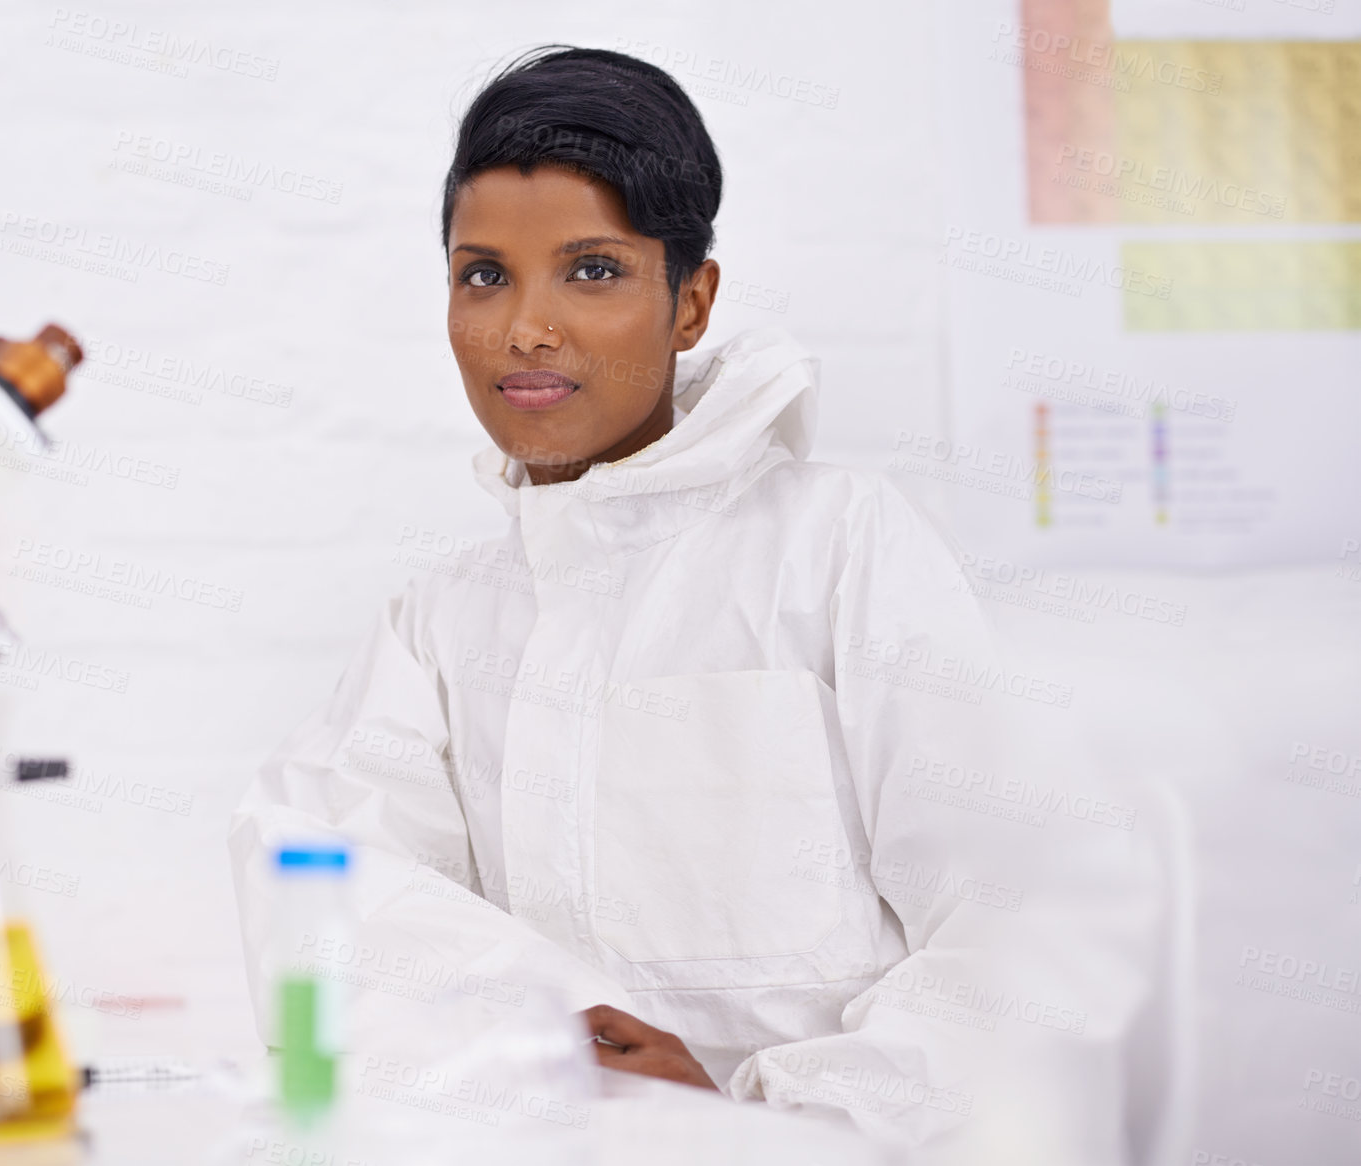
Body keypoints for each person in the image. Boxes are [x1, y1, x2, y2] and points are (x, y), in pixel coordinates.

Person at [230, 45, 1157, 1154]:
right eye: (483, 273)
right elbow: (319, 892)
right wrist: (547, 1045)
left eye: (593, 270)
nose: (526, 326)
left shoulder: (836, 547)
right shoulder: (440, 623)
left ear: (691, 302)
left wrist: (771, 1116)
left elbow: (1032, 909)